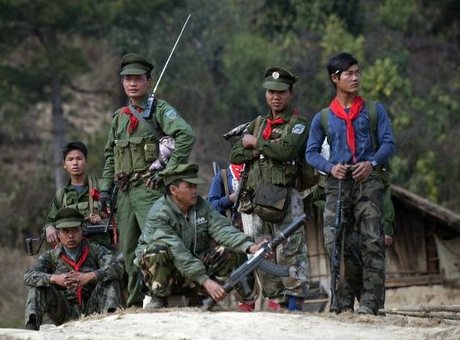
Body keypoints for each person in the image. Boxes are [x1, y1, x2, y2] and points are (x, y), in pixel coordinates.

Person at [100, 53, 196, 307]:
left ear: (148, 81)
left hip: (150, 189)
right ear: (122, 83)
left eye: (138, 78)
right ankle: (133, 302)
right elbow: (110, 156)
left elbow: (186, 135)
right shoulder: (120, 118)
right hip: (124, 193)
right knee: (130, 250)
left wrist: (168, 172)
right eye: (127, 79)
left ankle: (168, 296)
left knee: (159, 242)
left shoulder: (159, 110)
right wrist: (104, 191)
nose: (133, 83)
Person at [305, 52, 395, 315]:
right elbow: (310, 153)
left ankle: (371, 304)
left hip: (368, 183)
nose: (355, 78)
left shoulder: (373, 110)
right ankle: (342, 304)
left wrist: (372, 163)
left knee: (372, 243)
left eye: (357, 72)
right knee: (336, 244)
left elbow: (389, 143)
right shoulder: (323, 117)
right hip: (337, 184)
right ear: (335, 78)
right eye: (349, 74)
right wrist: (330, 166)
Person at [229, 66, 310, 312]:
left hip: (286, 198)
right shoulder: (258, 123)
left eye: (281, 92)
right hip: (257, 199)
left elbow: (287, 150)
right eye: (271, 92)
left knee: (290, 252)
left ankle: (295, 305)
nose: (275, 96)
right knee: (262, 253)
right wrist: (260, 147)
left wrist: (255, 143)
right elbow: (235, 152)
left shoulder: (298, 124)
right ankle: (276, 304)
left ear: (290, 93)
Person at [135, 163, 268, 309]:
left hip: (192, 269)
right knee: (157, 250)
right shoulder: (159, 213)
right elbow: (177, 250)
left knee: (228, 251)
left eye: (195, 186)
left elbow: (222, 229)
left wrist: (251, 247)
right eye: (189, 186)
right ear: (173, 190)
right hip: (169, 273)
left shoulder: (202, 206)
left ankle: (200, 298)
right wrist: (204, 280)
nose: (195, 191)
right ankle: (160, 298)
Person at [23, 208, 123, 330]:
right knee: (38, 287)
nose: (71, 236)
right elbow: (28, 276)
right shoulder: (51, 256)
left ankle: (112, 324)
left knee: (109, 280)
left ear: (82, 231)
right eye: (65, 231)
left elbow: (117, 267)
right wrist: (55, 279)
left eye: (75, 230)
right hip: (64, 311)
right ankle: (31, 329)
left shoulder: (95, 250)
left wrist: (90, 276)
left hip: (94, 309)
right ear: (58, 234)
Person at [44, 141, 110, 247]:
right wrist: (49, 228)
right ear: (64, 165)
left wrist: (102, 222)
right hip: (71, 251)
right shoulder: (62, 194)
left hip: (99, 249)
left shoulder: (102, 187)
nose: (75, 163)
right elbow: (50, 221)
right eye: (70, 159)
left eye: (79, 158)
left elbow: (120, 218)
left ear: (86, 161)